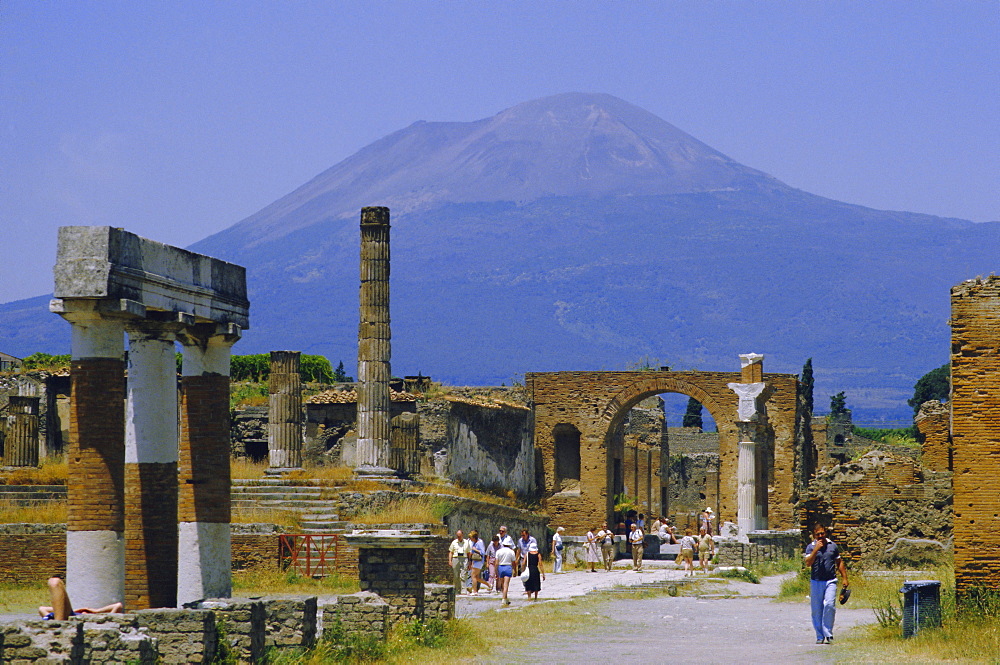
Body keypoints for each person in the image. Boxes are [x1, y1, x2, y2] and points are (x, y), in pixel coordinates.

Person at [804, 524, 849, 645]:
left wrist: (845, 578)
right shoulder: (810, 547)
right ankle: (819, 635)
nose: (820, 536)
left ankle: (828, 633)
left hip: (830, 580)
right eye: (818, 534)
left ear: (825, 533)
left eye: (822, 533)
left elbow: (839, 562)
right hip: (816, 581)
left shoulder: (832, 546)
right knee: (816, 609)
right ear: (814, 535)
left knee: (829, 605)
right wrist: (816, 550)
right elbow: (808, 563)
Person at [38, 576, 123, 620]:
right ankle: (59, 626)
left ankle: (59, 627)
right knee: (54, 581)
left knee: (55, 582)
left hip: (64, 622)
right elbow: (42, 608)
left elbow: (118, 606)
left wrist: (96, 611)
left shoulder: (96, 621)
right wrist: (76, 611)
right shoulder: (73, 614)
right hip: (65, 617)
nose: (84, 611)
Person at [495, 538, 517, 606]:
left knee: (502, 584)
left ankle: (505, 597)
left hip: (501, 567)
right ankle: (504, 599)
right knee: (506, 584)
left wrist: (496, 571)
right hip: (508, 567)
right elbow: (514, 562)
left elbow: (496, 562)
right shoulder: (511, 552)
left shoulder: (498, 551)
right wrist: (515, 570)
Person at [448, 529, 470, 595]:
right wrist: (450, 560)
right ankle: (457, 589)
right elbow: (451, 552)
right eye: (457, 536)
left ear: (462, 535)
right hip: (456, 558)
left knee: (463, 575)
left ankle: (463, 589)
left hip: (464, 558)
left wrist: (469, 562)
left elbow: (469, 553)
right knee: (456, 575)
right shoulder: (454, 542)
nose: (459, 537)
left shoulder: (466, 542)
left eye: (460, 536)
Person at [467, 530, 486, 595]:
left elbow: (483, 552)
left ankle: (474, 591)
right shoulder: (474, 543)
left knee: (473, 576)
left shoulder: (479, 543)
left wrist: (475, 550)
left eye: (471, 537)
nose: (470, 539)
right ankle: (488, 584)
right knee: (476, 577)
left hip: (479, 561)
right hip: (475, 561)